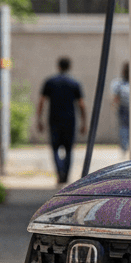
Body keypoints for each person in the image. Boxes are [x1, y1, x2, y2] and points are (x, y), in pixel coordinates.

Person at [37, 57, 86, 185]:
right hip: (70, 120)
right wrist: (84, 122)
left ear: (58, 66)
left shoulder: (50, 82)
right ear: (69, 67)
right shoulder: (74, 83)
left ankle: (59, 173)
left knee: (55, 148)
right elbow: (81, 104)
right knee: (69, 149)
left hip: (54, 120)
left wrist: (39, 119)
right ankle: (66, 175)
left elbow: (41, 101)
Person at [110, 62, 130, 154]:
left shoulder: (120, 83)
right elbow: (116, 97)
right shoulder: (119, 83)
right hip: (125, 108)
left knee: (125, 127)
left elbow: (115, 97)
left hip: (127, 107)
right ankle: (125, 145)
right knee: (124, 128)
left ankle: (126, 145)